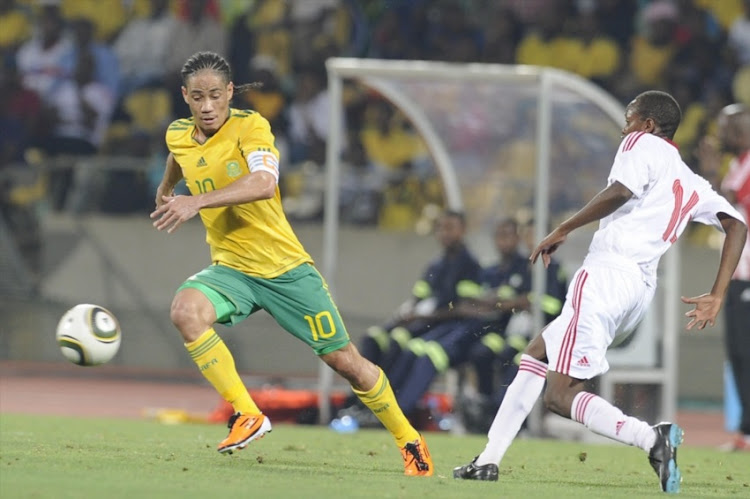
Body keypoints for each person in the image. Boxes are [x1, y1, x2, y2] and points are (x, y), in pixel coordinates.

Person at [149, 51, 433, 476]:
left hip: (285, 269)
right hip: (233, 269)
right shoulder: (178, 134)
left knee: (346, 363)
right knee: (185, 310)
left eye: (214, 96)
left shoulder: (252, 126)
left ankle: (409, 440)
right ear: (185, 97)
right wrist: (167, 188)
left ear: (229, 92)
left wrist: (197, 201)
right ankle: (247, 414)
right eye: (197, 98)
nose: (207, 107)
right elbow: (180, 155)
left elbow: (264, 183)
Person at [453, 90, 748, 493]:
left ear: (647, 125)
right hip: (637, 291)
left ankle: (650, 438)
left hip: (606, 276)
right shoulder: (691, 180)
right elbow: (737, 225)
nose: (623, 129)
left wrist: (564, 228)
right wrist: (717, 292)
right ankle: (488, 459)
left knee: (559, 397)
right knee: (537, 352)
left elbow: (620, 191)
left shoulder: (641, 143)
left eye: (629, 119)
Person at [716, 104, 750, 451]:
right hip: (739, 275)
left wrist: (709, 170)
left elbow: (723, 202)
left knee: (747, 353)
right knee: (739, 353)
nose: (720, 132)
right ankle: (745, 431)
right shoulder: (736, 165)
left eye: (726, 127)